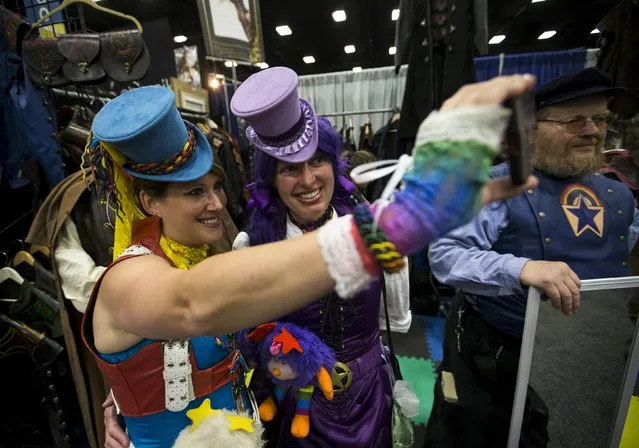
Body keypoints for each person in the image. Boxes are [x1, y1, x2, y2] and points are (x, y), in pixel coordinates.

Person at [93, 72, 538, 448]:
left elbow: (198, 340)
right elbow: (190, 304)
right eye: (195, 192)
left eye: (216, 187)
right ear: (150, 202)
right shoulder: (135, 274)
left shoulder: (209, 250)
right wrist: (405, 219)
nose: (216, 203)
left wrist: (125, 390)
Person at [424, 68, 639, 448]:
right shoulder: (495, 186)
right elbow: (444, 256)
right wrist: (519, 268)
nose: (592, 130)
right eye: (574, 120)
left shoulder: (620, 197)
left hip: (586, 357)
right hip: (495, 353)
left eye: (601, 118)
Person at [229, 67, 409, 447]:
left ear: (333, 164)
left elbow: (397, 318)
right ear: (271, 181)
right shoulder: (251, 246)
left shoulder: (372, 230)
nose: (308, 180)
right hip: (297, 409)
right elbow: (245, 339)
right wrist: (279, 342)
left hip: (368, 397)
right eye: (290, 169)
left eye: (317, 162)